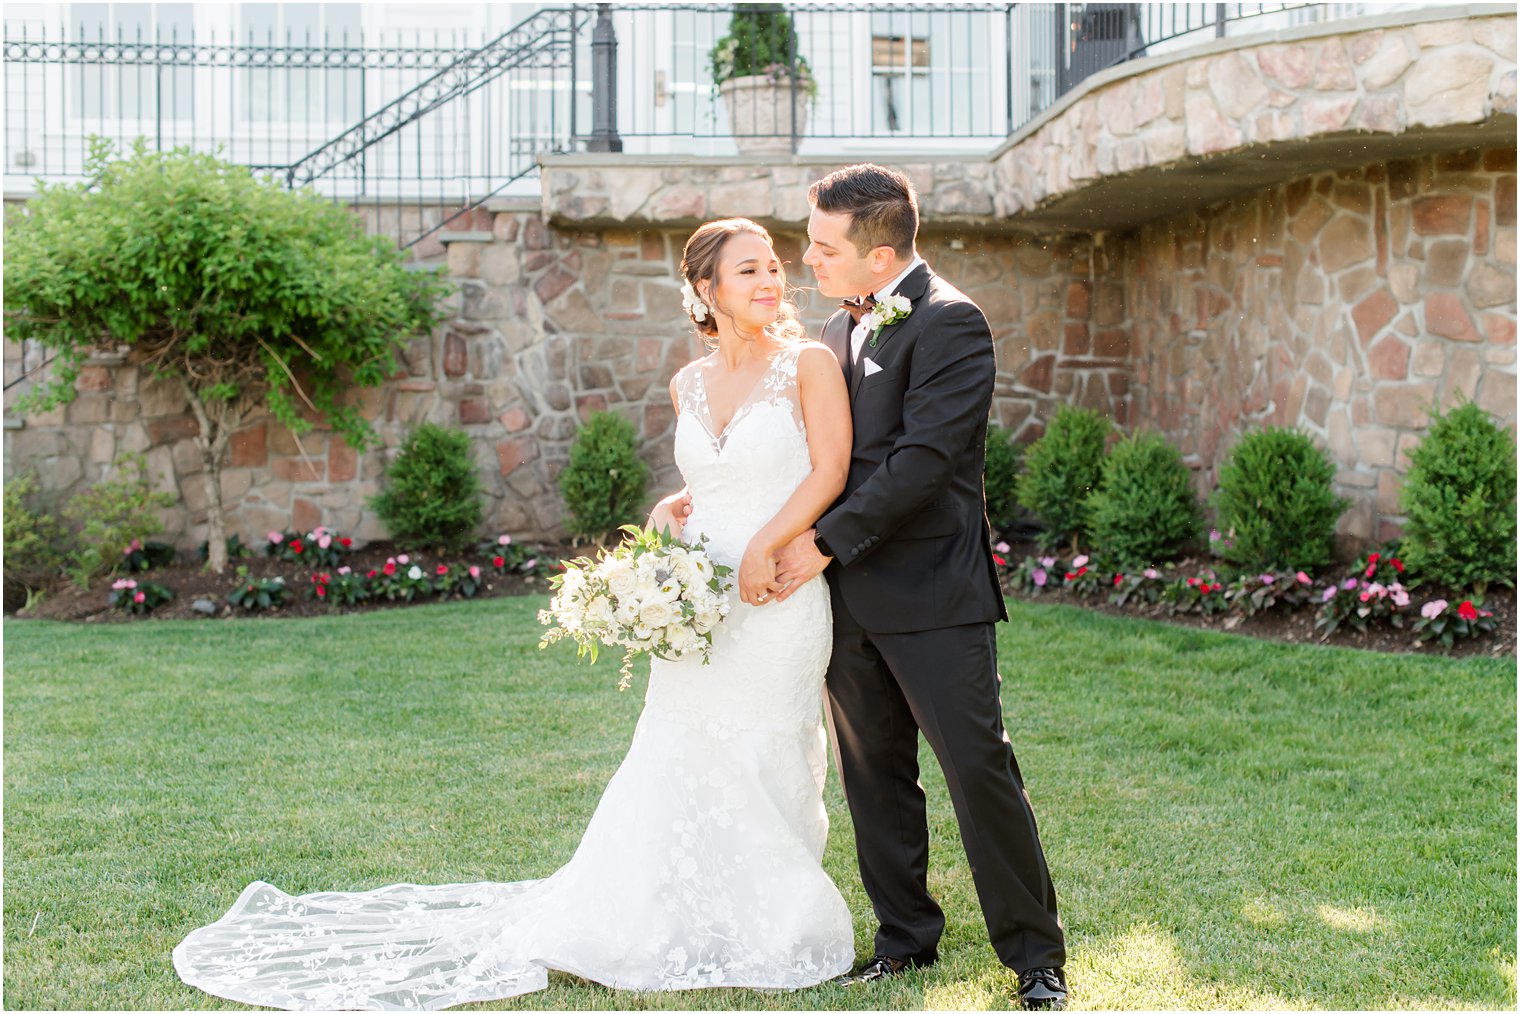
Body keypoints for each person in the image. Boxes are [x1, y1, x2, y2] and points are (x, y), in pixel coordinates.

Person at [171, 218, 856, 1010]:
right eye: (749, 271)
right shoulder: (688, 383)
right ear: (706, 291)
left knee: (767, 745)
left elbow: (831, 469)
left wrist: (765, 544)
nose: (772, 280)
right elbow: (712, 479)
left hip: (777, 591)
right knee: (681, 746)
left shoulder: (807, 364)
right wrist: (671, 516)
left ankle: (770, 921)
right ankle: (664, 912)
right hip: (695, 594)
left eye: (774, 266)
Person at [768, 162, 1070, 1010]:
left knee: (978, 771)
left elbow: (925, 463)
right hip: (847, 602)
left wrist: (824, 542)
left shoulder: (952, 323)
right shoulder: (833, 332)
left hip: (933, 594)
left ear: (881, 253)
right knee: (874, 778)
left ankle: (1035, 958)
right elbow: (815, 457)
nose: (809, 258)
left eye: (825, 246)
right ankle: (905, 939)